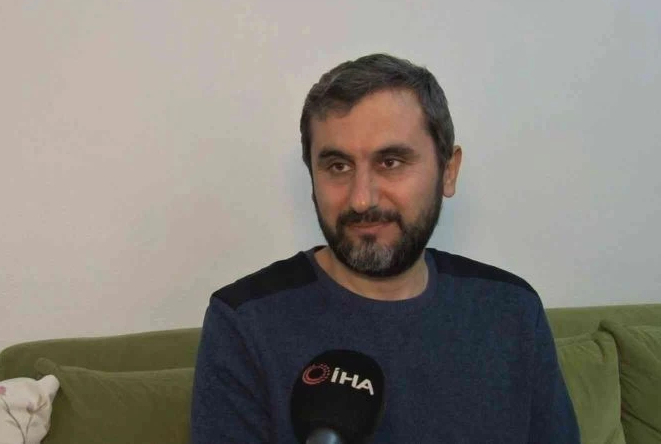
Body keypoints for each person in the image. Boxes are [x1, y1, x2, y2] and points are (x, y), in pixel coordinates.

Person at [191, 53, 579, 443]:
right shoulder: (245, 322)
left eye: (390, 162)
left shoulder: (512, 310)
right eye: (338, 167)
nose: (362, 199)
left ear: (448, 171)